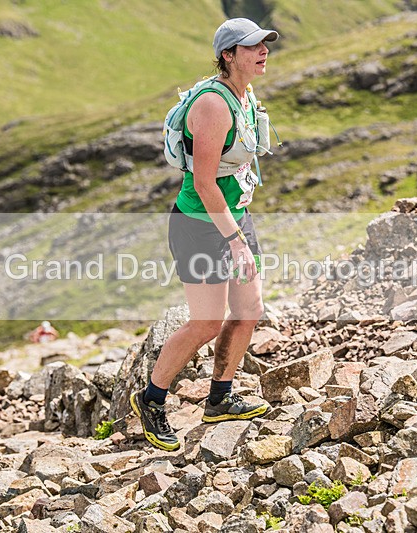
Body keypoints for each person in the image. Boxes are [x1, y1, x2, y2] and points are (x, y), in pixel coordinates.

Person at [130, 18, 279, 451]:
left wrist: (238, 227)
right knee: (207, 322)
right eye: (251, 46)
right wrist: (235, 241)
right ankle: (151, 398)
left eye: (264, 44)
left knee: (249, 308)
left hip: (233, 218)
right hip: (199, 226)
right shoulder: (214, 105)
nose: (262, 51)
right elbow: (203, 183)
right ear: (228, 56)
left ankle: (220, 397)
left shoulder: (244, 94)